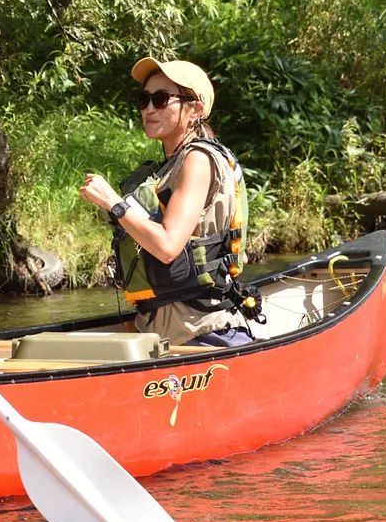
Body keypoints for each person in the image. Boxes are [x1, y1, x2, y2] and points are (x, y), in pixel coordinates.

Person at [77, 57, 261, 348]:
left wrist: (115, 203)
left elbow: (167, 247)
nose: (149, 109)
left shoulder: (197, 160)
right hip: (160, 329)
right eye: (144, 99)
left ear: (195, 110)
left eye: (161, 99)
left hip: (201, 331)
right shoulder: (168, 166)